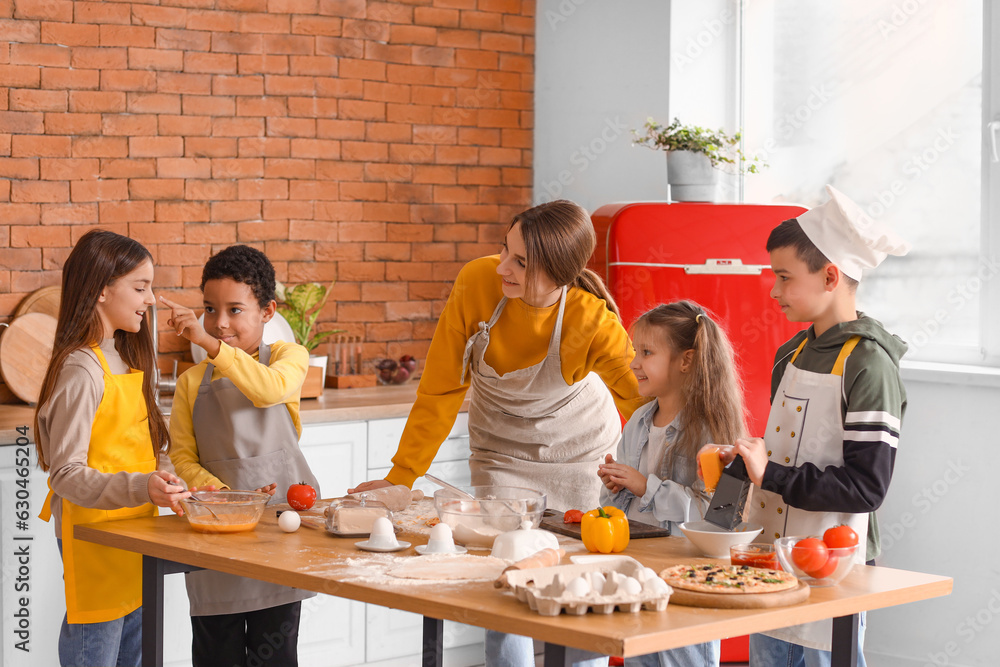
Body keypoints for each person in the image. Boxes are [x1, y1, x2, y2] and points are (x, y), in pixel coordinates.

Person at [350, 199, 648, 667]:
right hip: (501, 455)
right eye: (503, 250)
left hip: (583, 459)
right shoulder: (476, 283)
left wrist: (667, 475)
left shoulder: (592, 321)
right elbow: (441, 389)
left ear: (559, 273)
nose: (502, 268)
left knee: (580, 589)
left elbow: (646, 407)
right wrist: (401, 475)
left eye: (521, 262)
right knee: (507, 582)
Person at [703, 185, 909, 667]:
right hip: (769, 558)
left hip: (834, 563)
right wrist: (741, 473)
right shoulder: (789, 354)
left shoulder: (870, 366)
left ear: (830, 276)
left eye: (784, 277)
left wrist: (768, 474)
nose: (773, 291)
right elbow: (780, 456)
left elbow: (866, 489)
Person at [35, 230, 191, 667]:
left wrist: (164, 478)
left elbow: (132, 449)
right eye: (140, 288)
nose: (152, 299)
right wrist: (143, 486)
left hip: (135, 536)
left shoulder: (122, 359)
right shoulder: (81, 369)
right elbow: (66, 475)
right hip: (94, 542)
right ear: (102, 289)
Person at [163, 244, 320, 667]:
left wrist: (213, 348)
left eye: (235, 310)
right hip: (216, 532)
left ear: (268, 312)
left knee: (276, 655)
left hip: (278, 532)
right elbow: (182, 458)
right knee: (217, 654)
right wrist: (229, 499)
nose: (219, 323)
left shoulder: (289, 359)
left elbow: (266, 389)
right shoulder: (192, 382)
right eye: (210, 309)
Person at [598, 300, 745, 667]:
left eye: (647, 352)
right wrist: (615, 485)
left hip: (687, 578)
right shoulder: (637, 422)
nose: (634, 363)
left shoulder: (713, 431)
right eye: (636, 351)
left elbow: (718, 519)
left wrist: (644, 486)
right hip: (640, 571)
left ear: (685, 361)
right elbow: (621, 504)